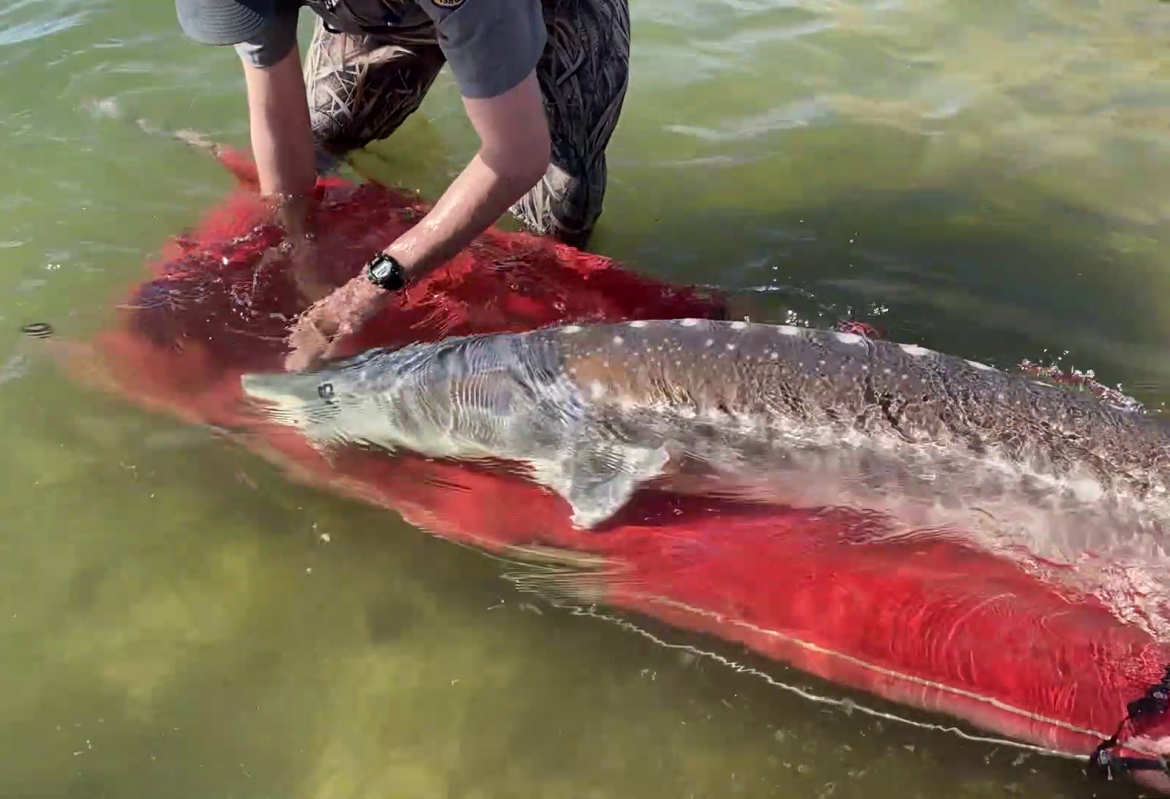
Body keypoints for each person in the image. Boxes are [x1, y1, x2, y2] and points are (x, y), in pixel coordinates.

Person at [173, 0, 630, 369]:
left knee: (558, 209)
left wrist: (369, 287)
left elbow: (518, 155)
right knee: (328, 131)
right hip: (383, 13)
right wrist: (297, 245)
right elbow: (275, 110)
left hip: (550, 12)